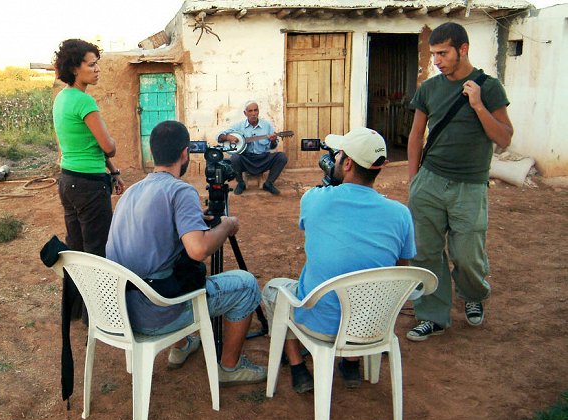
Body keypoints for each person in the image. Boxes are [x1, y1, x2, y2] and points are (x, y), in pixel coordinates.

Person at [106, 120, 266, 385]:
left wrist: (191, 220)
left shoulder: (132, 191)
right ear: (184, 153)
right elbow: (198, 250)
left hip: (121, 311)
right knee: (246, 285)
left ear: (153, 151)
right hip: (156, 314)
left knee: (167, 268)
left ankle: (181, 346)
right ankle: (229, 367)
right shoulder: (180, 190)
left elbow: (153, 235)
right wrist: (225, 226)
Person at [262, 127, 416, 393]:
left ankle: (298, 367)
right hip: (372, 325)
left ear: (347, 163)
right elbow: (402, 272)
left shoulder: (314, 199)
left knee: (273, 290)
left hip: (319, 327)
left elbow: (310, 229)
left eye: (339, 155)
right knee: (363, 283)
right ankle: (351, 362)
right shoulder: (401, 214)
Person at [405, 22, 513, 342]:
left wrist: (478, 104)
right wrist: (414, 179)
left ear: (462, 50)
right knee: (426, 252)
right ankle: (431, 315)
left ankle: (473, 294)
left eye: (443, 53)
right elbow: (415, 134)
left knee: (468, 254)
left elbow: (504, 138)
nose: (436, 60)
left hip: (470, 184)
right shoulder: (429, 89)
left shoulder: (489, 87)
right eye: (434, 53)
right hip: (431, 180)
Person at [53, 39, 125, 324]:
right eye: (91, 64)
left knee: (76, 249)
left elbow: (87, 146)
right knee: (97, 250)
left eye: (97, 64)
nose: (97, 70)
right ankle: (99, 316)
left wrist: (114, 171)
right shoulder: (84, 100)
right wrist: (113, 153)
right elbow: (107, 145)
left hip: (68, 181)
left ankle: (74, 310)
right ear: (75, 67)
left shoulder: (63, 98)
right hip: (89, 187)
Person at [217, 101, 288, 195]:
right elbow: (219, 137)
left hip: (263, 158)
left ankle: (269, 183)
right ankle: (241, 183)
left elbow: (273, 147)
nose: (253, 113)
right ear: (245, 113)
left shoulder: (267, 125)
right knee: (234, 158)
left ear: (258, 111)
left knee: (282, 157)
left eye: (255, 110)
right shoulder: (239, 126)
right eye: (250, 111)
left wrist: (273, 140)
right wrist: (227, 137)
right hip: (246, 159)